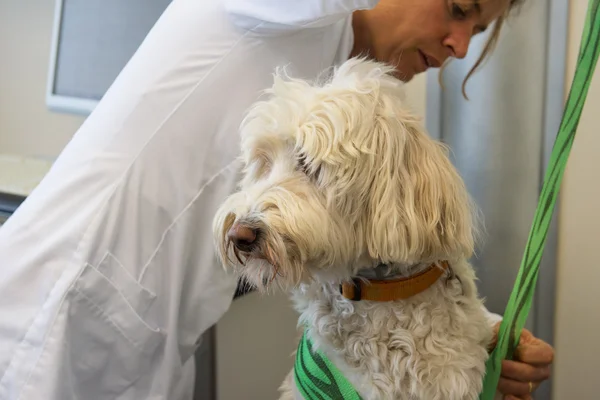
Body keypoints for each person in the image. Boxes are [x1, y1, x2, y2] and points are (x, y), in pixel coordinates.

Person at [0, 0, 553, 399]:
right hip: (53, 319)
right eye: (458, 8)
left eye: (476, 32)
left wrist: (469, 341)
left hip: (150, 346)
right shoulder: (278, 11)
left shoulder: (335, 91)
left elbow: (369, 256)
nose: (459, 45)